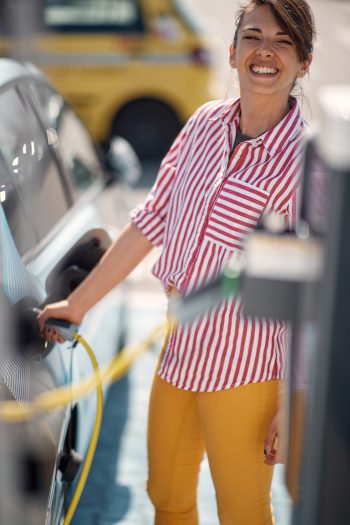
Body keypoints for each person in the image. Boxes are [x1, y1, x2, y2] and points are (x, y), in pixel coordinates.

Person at [37, 0, 316, 523]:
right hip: (180, 350)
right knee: (166, 493)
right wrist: (77, 305)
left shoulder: (305, 164)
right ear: (232, 52)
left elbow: (312, 295)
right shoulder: (205, 125)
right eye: (253, 37)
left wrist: (294, 398)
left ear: (303, 62)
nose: (265, 52)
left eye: (284, 41)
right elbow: (151, 220)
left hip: (247, 373)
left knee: (243, 510)